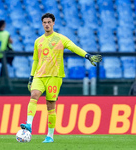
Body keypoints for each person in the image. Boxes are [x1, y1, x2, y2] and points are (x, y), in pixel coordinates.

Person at [20, 13, 102, 143]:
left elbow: (74, 47)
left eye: (49, 22)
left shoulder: (60, 39)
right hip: (39, 75)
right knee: (34, 94)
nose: (46, 24)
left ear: (53, 23)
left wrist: (87, 56)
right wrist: (31, 76)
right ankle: (29, 124)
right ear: (42, 24)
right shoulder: (38, 41)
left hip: (54, 76)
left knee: (50, 105)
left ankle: (50, 136)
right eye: (44, 22)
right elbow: (35, 60)